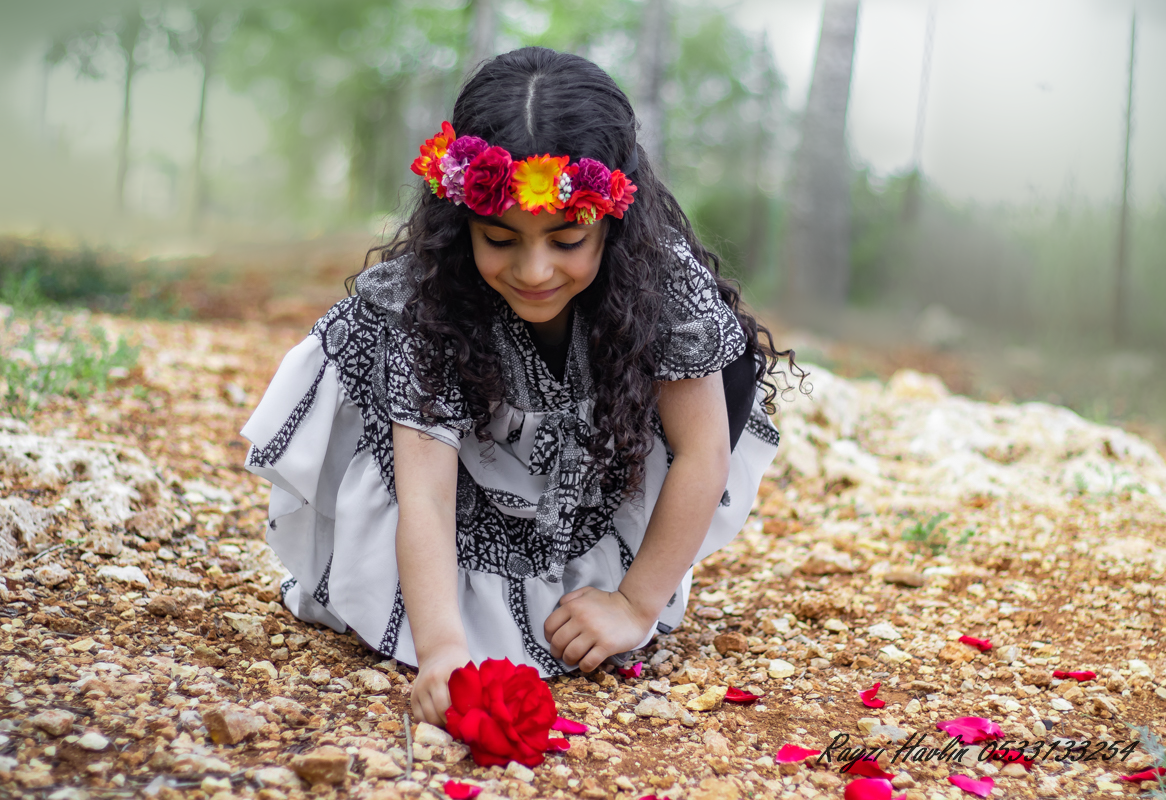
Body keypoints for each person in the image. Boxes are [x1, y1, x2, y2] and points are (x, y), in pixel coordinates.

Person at [242, 46, 800, 726]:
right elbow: (426, 494)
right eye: (500, 240)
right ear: (462, 223)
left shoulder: (663, 279)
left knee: (714, 373)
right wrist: (442, 650)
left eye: (566, 241)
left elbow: (703, 451)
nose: (535, 271)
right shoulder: (427, 297)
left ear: (613, 222)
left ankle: (612, 579)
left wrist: (633, 606)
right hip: (460, 498)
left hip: (601, 481)